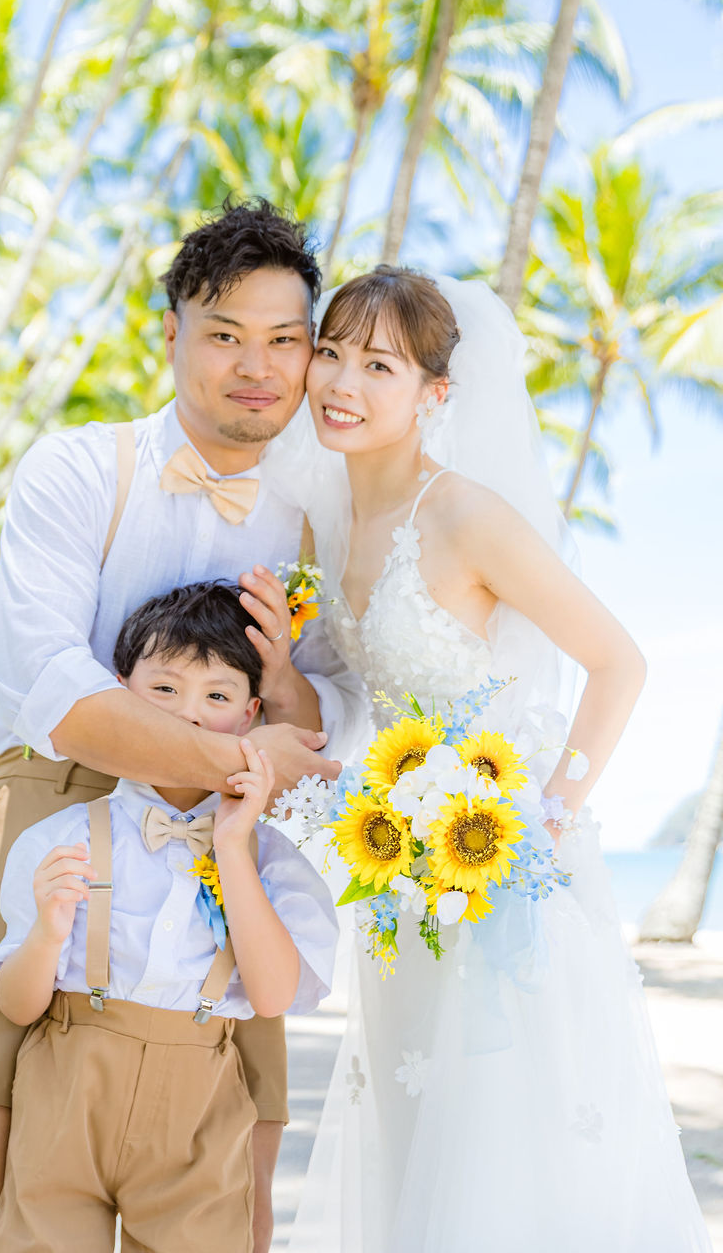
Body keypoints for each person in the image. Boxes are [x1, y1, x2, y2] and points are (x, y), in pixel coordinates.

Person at [0, 200, 364, 1253]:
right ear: (170, 334)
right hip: (52, 809)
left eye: (284, 340)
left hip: (234, 844)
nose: (255, 366)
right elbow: (55, 689)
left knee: (234, 1215)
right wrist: (247, 752)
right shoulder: (79, 468)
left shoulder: (325, 520)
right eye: (224, 334)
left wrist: (280, 713)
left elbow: (334, 714)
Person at [266, 266, 712, 1251]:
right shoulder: (323, 518)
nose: (341, 382)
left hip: (501, 881)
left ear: (435, 393)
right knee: (415, 1145)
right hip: (398, 884)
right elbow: (342, 705)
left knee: (506, 1167)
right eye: (330, 353)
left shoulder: (466, 515)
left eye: (378, 365)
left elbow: (618, 663)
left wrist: (548, 817)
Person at [0, 581, 339, 1253]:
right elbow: (18, 1004)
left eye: (217, 696)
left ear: (251, 714)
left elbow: (273, 998)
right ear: (121, 693)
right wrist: (49, 933)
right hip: (67, 1087)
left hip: (200, 1100)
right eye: (165, 689)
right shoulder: (63, 839)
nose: (189, 714)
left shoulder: (274, 861)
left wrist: (232, 846)